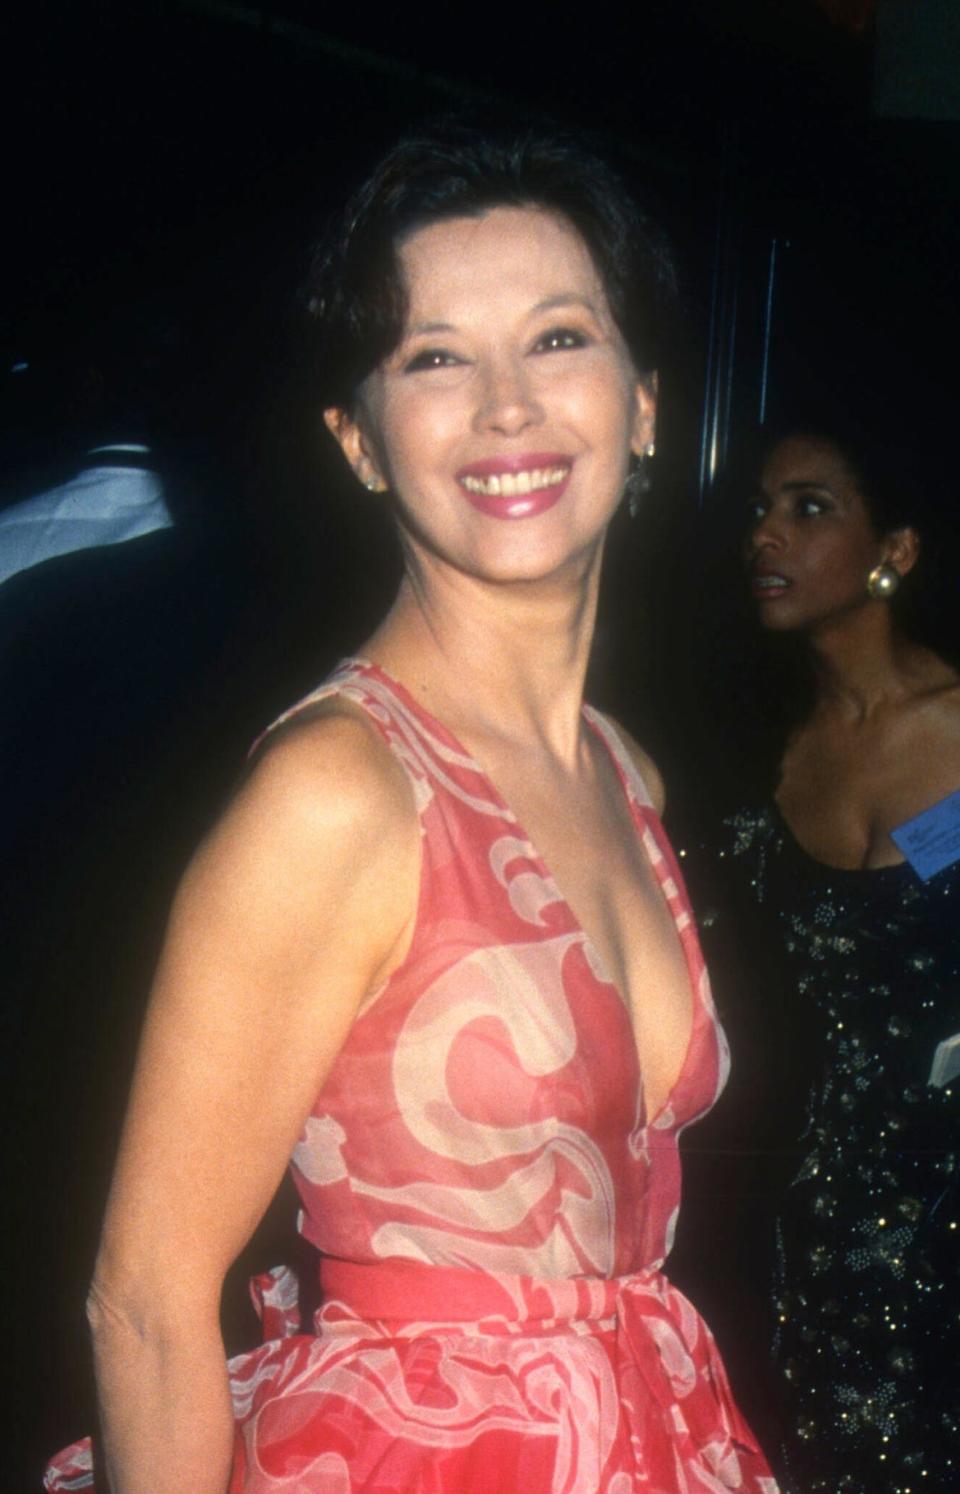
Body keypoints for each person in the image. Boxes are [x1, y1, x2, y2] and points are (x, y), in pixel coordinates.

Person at [46, 123, 779, 1493]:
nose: (506, 406)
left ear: (645, 407)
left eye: (559, 338)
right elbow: (144, 1298)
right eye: (433, 356)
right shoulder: (339, 793)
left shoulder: (624, 768)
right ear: (360, 440)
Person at [690, 421, 960, 1493]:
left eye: (808, 509)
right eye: (759, 510)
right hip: (818, 1228)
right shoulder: (759, 758)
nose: (765, 536)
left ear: (893, 550)